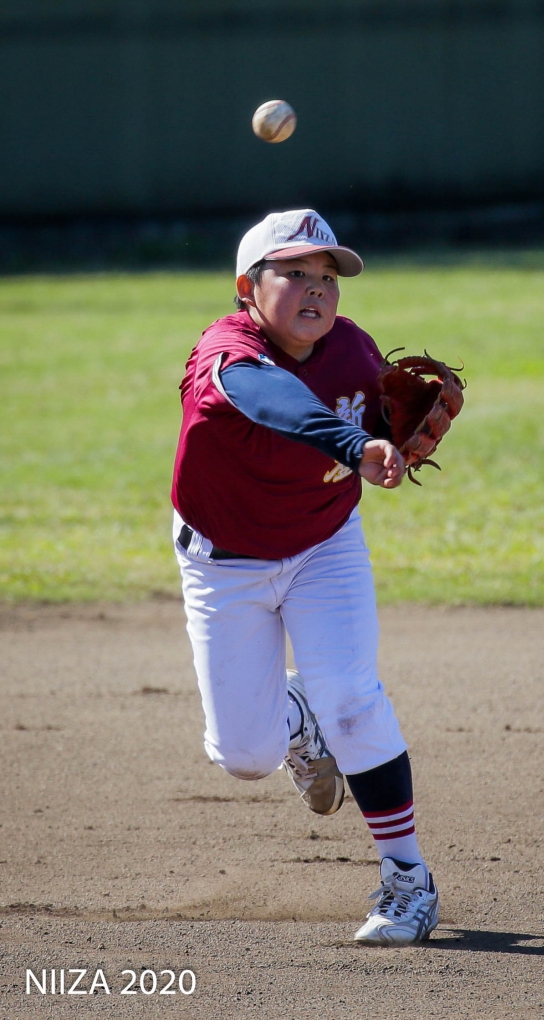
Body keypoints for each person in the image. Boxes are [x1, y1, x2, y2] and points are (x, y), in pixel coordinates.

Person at [171, 209, 439, 944]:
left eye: (327, 276)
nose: (316, 288)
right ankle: (293, 717)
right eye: (293, 273)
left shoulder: (353, 349)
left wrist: (390, 441)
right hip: (224, 565)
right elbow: (273, 400)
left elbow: (382, 422)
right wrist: (353, 445)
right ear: (247, 288)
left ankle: (408, 880)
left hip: (325, 545)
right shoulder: (226, 354)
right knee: (244, 756)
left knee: (352, 698)